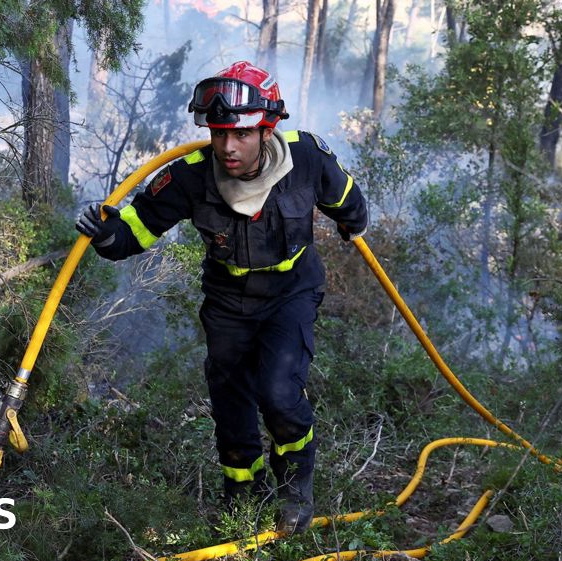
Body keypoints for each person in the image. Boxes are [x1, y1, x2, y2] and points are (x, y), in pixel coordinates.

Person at [75, 61, 369, 535]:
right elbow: (135, 231)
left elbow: (348, 201)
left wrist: (352, 220)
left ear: (266, 128)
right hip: (228, 300)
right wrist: (106, 232)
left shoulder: (307, 159)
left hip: (290, 292)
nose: (228, 147)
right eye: (218, 133)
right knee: (231, 401)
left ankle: (294, 487)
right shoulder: (191, 177)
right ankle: (242, 497)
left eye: (241, 135)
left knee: (278, 392)